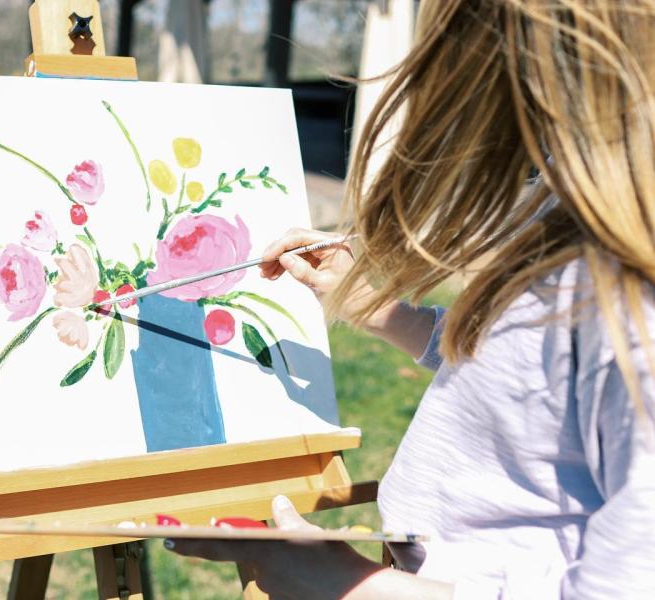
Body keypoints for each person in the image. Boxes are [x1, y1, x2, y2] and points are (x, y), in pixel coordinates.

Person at [165, 1, 655, 598]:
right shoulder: (573, 197)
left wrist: (351, 584)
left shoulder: (626, 277)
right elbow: (530, 377)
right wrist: (379, 309)